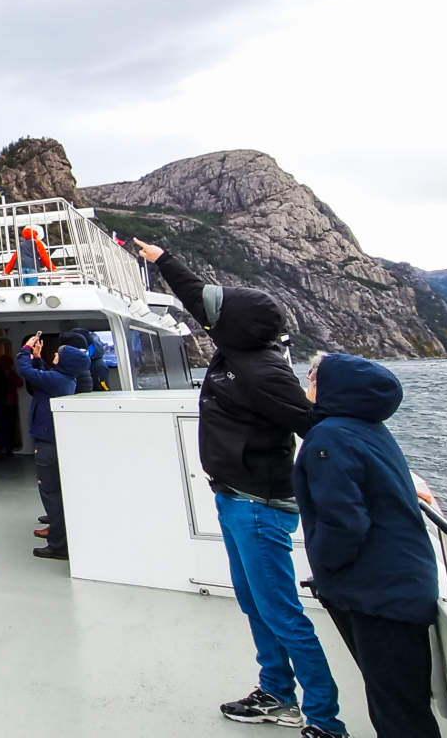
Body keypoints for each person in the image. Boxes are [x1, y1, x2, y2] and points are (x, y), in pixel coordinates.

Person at [138, 238, 344, 738]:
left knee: (282, 612)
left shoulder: (264, 372)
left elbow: (320, 431)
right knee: (255, 605)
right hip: (234, 498)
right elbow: (195, 298)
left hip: (259, 507)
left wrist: (397, 477)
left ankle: (323, 719)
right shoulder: (237, 348)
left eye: (220, 313)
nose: (211, 318)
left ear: (238, 326)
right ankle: (276, 690)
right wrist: (162, 259)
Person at [296, 354, 441, 738]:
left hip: (378, 594)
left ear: (331, 388)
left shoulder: (328, 438)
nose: (306, 383)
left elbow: (343, 520)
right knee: (403, 702)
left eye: (312, 376)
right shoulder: (368, 429)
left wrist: (326, 570)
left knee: (397, 713)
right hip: (402, 582)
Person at [16, 333, 86, 558]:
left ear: (66, 362)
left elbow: (27, 372)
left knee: (50, 492)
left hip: (48, 444)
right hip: (52, 440)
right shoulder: (64, 379)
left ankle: (58, 544)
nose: (54, 354)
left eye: (58, 354)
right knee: (54, 492)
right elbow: (42, 375)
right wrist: (37, 358)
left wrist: (26, 349)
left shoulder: (58, 380)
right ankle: (60, 536)